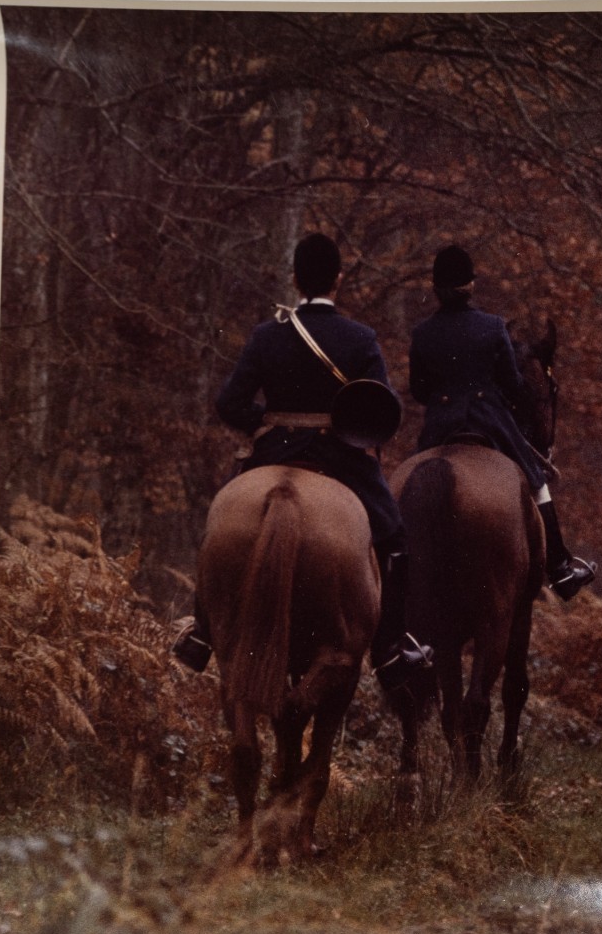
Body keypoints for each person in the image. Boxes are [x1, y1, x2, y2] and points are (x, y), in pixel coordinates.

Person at [172, 233, 430, 675]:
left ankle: (202, 633)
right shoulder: (361, 338)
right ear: (339, 281)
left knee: (219, 521)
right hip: (341, 457)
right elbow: (382, 409)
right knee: (395, 537)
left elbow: (228, 403)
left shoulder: (266, 335)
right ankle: (390, 647)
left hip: (273, 449)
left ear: (295, 279)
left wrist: (268, 423)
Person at [407, 244, 595, 599]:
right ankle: (560, 568)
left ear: (435, 289)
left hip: (440, 428)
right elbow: (513, 385)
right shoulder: (493, 328)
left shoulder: (422, 333)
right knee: (538, 483)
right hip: (489, 422)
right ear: (471, 286)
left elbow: (418, 390)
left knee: (407, 484)